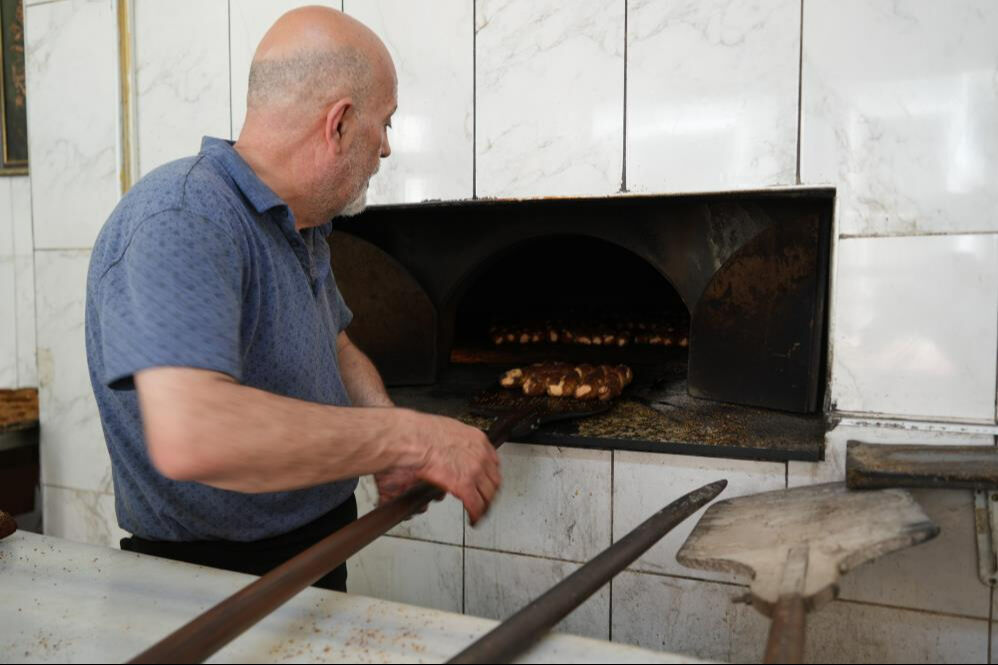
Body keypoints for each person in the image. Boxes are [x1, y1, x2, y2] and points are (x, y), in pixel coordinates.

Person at [84, 6, 500, 592]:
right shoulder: (181, 218)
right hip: (210, 582)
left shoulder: (302, 224)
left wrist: (386, 428)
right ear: (338, 123)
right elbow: (194, 435)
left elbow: (337, 346)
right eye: (384, 123)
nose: (385, 148)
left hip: (320, 544)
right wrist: (412, 437)